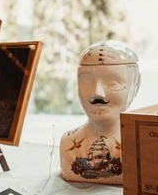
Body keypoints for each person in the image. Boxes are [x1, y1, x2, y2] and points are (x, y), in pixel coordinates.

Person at [60, 40, 140, 184]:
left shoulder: (141, 147)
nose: (97, 94)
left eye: (113, 83)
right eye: (86, 81)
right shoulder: (68, 143)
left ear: (136, 86)